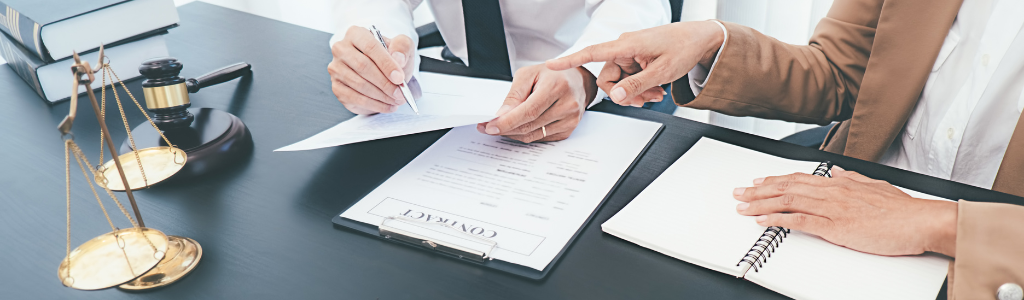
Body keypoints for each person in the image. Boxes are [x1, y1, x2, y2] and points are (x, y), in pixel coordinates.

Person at [548, 0, 1024, 298]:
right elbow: (841, 73)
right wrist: (713, 43)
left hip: (985, 261)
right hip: (845, 205)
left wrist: (938, 222)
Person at [327, 0, 669, 143]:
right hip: (463, 93)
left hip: (582, 81)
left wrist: (583, 74)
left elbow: (637, 5)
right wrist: (372, 52)